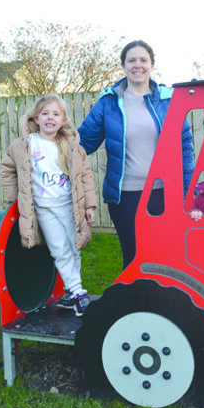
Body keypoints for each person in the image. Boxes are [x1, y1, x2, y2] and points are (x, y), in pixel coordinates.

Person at [78, 40, 194, 268]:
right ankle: (134, 304)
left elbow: (185, 150)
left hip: (164, 194)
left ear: (152, 65)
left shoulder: (168, 101)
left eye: (143, 60)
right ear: (123, 65)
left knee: (166, 259)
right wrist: (48, 143)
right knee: (134, 260)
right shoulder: (109, 103)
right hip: (125, 196)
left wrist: (188, 193)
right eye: (131, 60)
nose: (137, 65)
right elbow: (82, 144)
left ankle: (164, 304)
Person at [0, 94, 97, 316]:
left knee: (74, 247)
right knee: (59, 249)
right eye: (45, 113)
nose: (50, 118)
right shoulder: (24, 145)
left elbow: (85, 175)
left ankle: (72, 291)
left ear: (63, 119)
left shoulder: (70, 145)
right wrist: (16, 198)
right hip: (43, 208)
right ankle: (79, 292)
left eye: (56, 114)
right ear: (36, 117)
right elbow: (6, 169)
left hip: (69, 206)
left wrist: (89, 206)